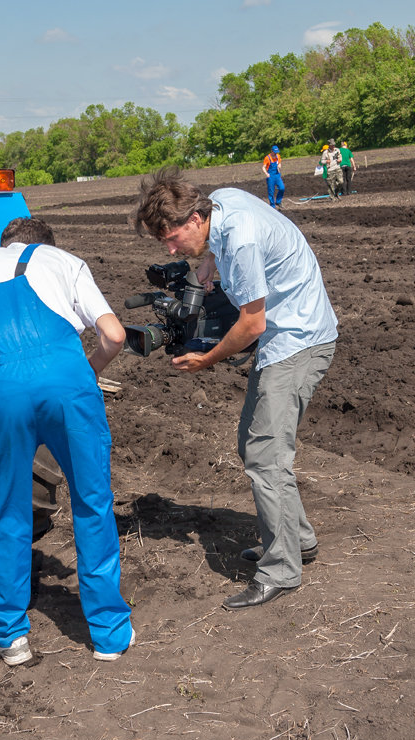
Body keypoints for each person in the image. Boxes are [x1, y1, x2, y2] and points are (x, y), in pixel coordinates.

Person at [132, 167, 338, 610]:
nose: (170, 249)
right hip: (288, 339)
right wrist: (208, 262)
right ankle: (298, 541)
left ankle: (281, 570)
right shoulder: (221, 201)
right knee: (254, 447)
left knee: (266, 456)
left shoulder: (239, 239)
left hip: (297, 342)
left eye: (171, 238)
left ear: (193, 219)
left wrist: (206, 359)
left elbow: (252, 323)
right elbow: (225, 257)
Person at [0, 216, 134, 664]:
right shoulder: (65, 262)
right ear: (46, 245)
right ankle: (108, 634)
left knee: (5, 511)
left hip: (2, 395)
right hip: (69, 388)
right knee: (92, 501)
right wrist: (85, 376)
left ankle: (9, 637)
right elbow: (115, 335)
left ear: (5, 244)